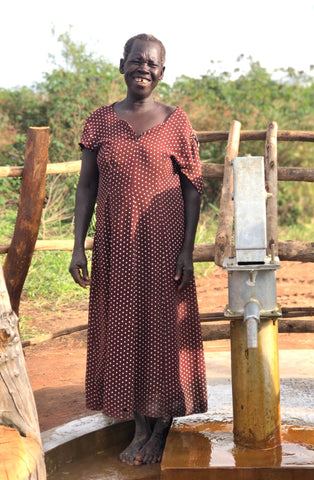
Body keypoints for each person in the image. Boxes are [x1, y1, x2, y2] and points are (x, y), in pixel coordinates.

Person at [69, 33, 207, 466]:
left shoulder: (176, 122)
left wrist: (187, 249)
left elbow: (193, 190)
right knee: (124, 328)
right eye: (136, 60)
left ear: (162, 72)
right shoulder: (100, 122)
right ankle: (140, 426)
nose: (142, 68)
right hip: (115, 246)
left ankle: (162, 423)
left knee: (163, 329)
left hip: (164, 246)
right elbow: (87, 186)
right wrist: (78, 246)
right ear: (122, 63)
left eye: (152, 63)